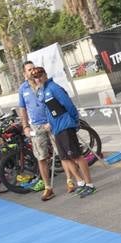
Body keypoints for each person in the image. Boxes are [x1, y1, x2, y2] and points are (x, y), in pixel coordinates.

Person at [28, 65, 94, 196]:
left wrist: (75, 121)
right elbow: (49, 110)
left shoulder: (54, 88)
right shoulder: (42, 91)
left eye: (40, 75)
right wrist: (49, 124)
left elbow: (68, 104)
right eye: (35, 77)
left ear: (45, 74)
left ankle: (89, 184)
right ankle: (80, 182)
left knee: (76, 156)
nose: (38, 79)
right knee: (65, 158)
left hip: (65, 126)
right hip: (56, 128)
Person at [18, 60, 59, 200]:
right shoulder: (22, 89)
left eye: (33, 68)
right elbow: (22, 109)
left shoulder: (44, 83)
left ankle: (71, 181)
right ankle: (48, 188)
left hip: (52, 122)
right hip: (36, 126)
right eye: (29, 70)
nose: (32, 71)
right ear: (24, 73)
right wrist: (25, 126)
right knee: (42, 157)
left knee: (63, 154)